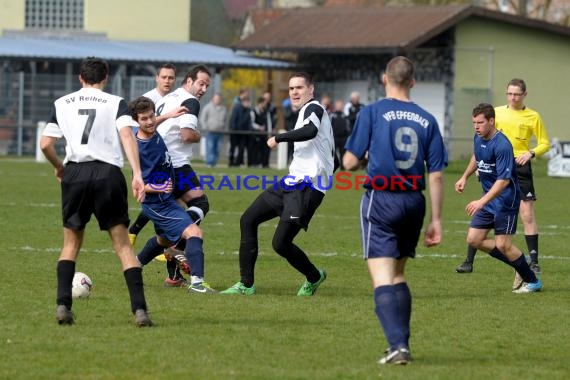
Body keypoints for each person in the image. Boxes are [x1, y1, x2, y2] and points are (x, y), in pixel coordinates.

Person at [343, 56, 447, 365]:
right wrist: (437, 220)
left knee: (382, 278)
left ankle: (398, 346)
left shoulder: (372, 112)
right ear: (413, 82)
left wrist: (362, 158)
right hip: (415, 201)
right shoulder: (428, 119)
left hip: (382, 199)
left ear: (384, 79)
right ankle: (402, 342)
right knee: (399, 274)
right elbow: (437, 174)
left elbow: (348, 162)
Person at [40, 57, 153, 327]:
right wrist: (137, 174)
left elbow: (45, 144)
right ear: (106, 78)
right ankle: (140, 311)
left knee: (70, 245)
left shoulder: (62, 103)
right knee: (123, 246)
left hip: (75, 173)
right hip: (107, 174)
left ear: (80, 78)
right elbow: (127, 135)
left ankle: (63, 306)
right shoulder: (116, 102)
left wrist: (59, 168)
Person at [221, 72, 333, 296]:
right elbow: (332, 155)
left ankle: (313, 276)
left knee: (280, 244)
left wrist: (279, 138)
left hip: (307, 188)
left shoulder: (314, 109)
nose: (294, 92)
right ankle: (246, 284)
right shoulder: (306, 112)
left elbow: (309, 132)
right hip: (292, 181)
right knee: (248, 219)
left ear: (311, 89)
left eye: (299, 87)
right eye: (291, 88)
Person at [129, 64, 214, 292]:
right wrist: (199, 135)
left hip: (165, 163)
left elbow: (148, 124)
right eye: (201, 83)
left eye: (208, 85)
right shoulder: (191, 102)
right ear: (189, 81)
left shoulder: (170, 97)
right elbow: (187, 135)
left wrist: (165, 116)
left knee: (164, 236)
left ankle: (156, 268)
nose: (204, 89)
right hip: (175, 164)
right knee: (199, 205)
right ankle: (180, 249)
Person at [455, 79, 550, 277]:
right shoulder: (494, 113)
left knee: (526, 215)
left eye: (516, 94)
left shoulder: (533, 116)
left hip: (517, 168)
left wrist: (530, 153)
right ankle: (471, 260)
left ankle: (531, 262)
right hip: (494, 168)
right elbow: (481, 146)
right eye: (509, 93)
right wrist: (471, 172)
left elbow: (544, 143)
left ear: (524, 94)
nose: (512, 97)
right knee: (477, 231)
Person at [199, 93, 227, 167]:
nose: (217, 100)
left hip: (220, 132)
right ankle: (209, 163)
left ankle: (214, 163)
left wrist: (224, 128)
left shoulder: (223, 108)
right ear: (213, 99)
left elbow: (225, 120)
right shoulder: (207, 107)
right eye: (216, 98)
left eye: (218, 99)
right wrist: (206, 128)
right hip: (210, 132)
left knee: (217, 149)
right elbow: (202, 119)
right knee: (210, 148)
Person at [228, 88, 252, 167]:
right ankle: (231, 162)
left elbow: (248, 121)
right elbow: (234, 119)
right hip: (235, 132)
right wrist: (233, 130)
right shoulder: (237, 107)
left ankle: (237, 162)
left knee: (241, 149)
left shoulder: (248, 110)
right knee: (233, 148)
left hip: (243, 132)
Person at [330, 99, 351, 170]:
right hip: (334, 137)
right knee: (333, 154)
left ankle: (342, 167)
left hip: (343, 138)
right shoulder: (332, 115)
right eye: (338, 105)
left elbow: (348, 127)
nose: (339, 107)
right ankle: (332, 167)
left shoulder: (345, 116)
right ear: (335, 106)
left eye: (340, 105)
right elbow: (329, 126)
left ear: (342, 106)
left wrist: (348, 135)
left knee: (343, 153)